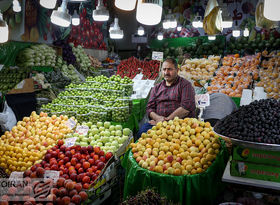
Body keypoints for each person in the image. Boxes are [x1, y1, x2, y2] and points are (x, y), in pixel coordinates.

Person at [137, 58, 196, 139]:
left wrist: (167, 120)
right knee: (141, 133)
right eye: (164, 69)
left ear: (177, 70)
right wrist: (157, 118)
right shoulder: (157, 87)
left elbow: (186, 107)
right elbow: (150, 108)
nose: (166, 72)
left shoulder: (185, 85)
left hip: (179, 124)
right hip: (158, 122)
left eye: (170, 69)